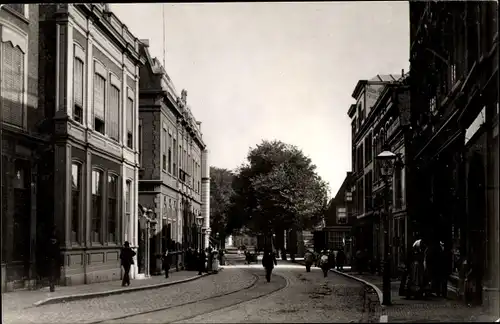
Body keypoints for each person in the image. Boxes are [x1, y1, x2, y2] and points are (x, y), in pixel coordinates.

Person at [47, 227, 61, 292]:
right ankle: (52, 285)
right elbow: (58, 250)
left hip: (50, 258)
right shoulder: (57, 240)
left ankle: (51, 285)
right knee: (53, 272)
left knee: (51, 272)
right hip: (55, 258)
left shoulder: (49, 240)